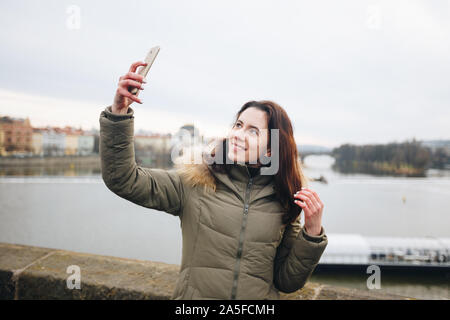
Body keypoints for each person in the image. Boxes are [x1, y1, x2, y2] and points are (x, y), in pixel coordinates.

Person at [99, 60, 328, 300]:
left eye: (252, 131)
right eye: (238, 125)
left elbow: (287, 281)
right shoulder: (196, 181)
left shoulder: (285, 199)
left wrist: (312, 234)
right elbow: (123, 179)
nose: (239, 134)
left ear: (271, 149)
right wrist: (118, 113)